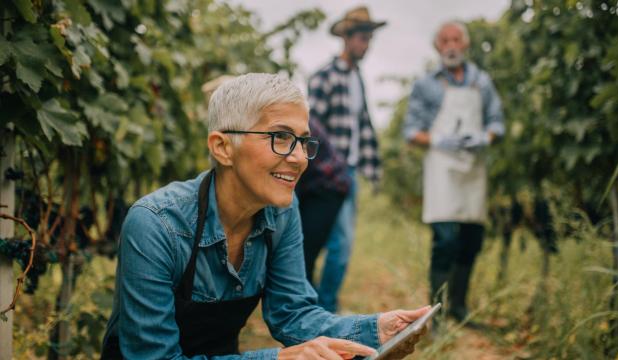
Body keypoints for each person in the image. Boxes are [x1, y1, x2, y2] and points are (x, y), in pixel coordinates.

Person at [101, 73, 431, 359]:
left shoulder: (282, 213)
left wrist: (376, 329)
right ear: (222, 147)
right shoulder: (155, 224)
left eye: (303, 141)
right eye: (281, 138)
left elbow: (292, 313)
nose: (301, 158)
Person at [403, 21, 505, 322]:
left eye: (456, 39)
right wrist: (438, 139)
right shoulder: (426, 84)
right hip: (442, 169)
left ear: (465, 44)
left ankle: (459, 308)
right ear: (437, 46)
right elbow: (411, 131)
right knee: (445, 239)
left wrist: (485, 138)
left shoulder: (482, 82)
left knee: (472, 238)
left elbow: (497, 121)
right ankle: (434, 312)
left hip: (473, 169)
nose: (450, 45)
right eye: (444, 40)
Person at [307, 6, 384, 313]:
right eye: (363, 38)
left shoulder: (358, 79)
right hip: (327, 175)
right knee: (332, 243)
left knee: (339, 244)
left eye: (369, 39)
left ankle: (321, 305)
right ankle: (322, 308)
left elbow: (362, 126)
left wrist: (373, 168)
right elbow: (313, 127)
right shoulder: (324, 77)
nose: (366, 45)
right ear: (347, 38)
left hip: (349, 171)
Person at [295, 118, 351, 286]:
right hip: (309, 186)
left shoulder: (298, 122)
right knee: (300, 253)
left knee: (304, 254)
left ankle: (307, 306)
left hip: (329, 187)